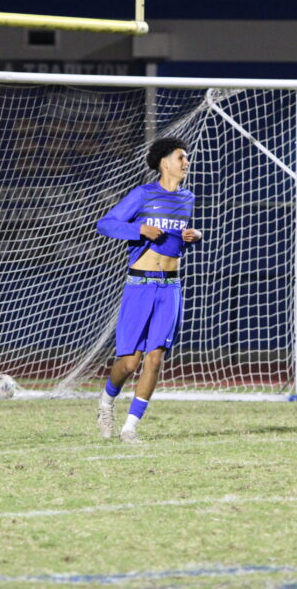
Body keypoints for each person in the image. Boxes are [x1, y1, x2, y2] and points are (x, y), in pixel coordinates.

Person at [94, 136, 202, 443]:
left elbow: (176, 241)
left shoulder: (187, 198)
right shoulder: (142, 195)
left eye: (187, 158)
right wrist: (138, 229)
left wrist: (194, 237)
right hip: (139, 286)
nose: (186, 163)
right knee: (130, 363)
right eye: (181, 157)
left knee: (155, 358)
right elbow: (105, 224)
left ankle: (130, 428)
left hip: (170, 289)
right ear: (164, 162)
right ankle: (106, 401)